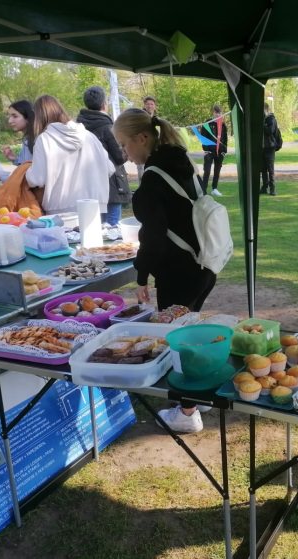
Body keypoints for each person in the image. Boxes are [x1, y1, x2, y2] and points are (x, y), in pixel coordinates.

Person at [113, 107, 216, 433]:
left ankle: (186, 413)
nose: (125, 154)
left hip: (179, 271)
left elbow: (153, 239)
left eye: (125, 145)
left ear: (142, 138)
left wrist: (141, 275)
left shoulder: (154, 180)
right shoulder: (181, 164)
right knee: (190, 333)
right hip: (203, 265)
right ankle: (194, 399)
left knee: (178, 340)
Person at [25, 95, 113, 215]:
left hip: (60, 207)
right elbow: (110, 169)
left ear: (38, 117)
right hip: (95, 204)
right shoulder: (89, 136)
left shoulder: (44, 140)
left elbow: (37, 179)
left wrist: (26, 171)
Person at [76, 86, 132, 225]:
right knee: (112, 230)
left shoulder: (78, 127)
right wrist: (129, 148)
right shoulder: (107, 127)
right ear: (104, 104)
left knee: (94, 227)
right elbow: (119, 156)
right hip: (111, 184)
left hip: (87, 183)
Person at [0, 100, 35, 181]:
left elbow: (30, 175)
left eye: (15, 116)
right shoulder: (28, 139)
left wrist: (3, 178)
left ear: (28, 117)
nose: (10, 121)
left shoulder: (35, 140)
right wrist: (14, 159)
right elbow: (26, 167)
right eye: (9, 116)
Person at [200, 104, 228, 197]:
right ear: (213, 112)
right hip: (209, 152)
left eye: (219, 113)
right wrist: (206, 150)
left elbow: (225, 139)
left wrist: (224, 151)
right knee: (207, 171)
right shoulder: (207, 123)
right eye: (216, 112)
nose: (218, 115)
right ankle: (203, 190)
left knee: (217, 170)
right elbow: (202, 137)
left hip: (220, 152)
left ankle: (214, 189)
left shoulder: (223, 125)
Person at [136, 96, 157, 181]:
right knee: (143, 173)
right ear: (144, 105)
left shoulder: (155, 119)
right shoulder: (140, 117)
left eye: (152, 104)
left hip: (153, 149)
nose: (150, 106)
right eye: (147, 104)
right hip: (142, 149)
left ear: (155, 106)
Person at [261, 102, 279, 195]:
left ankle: (272, 189)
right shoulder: (263, 119)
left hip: (270, 148)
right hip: (263, 148)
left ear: (266, 110)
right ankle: (264, 187)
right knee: (263, 169)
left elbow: (270, 131)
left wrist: (263, 125)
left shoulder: (271, 119)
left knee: (270, 169)